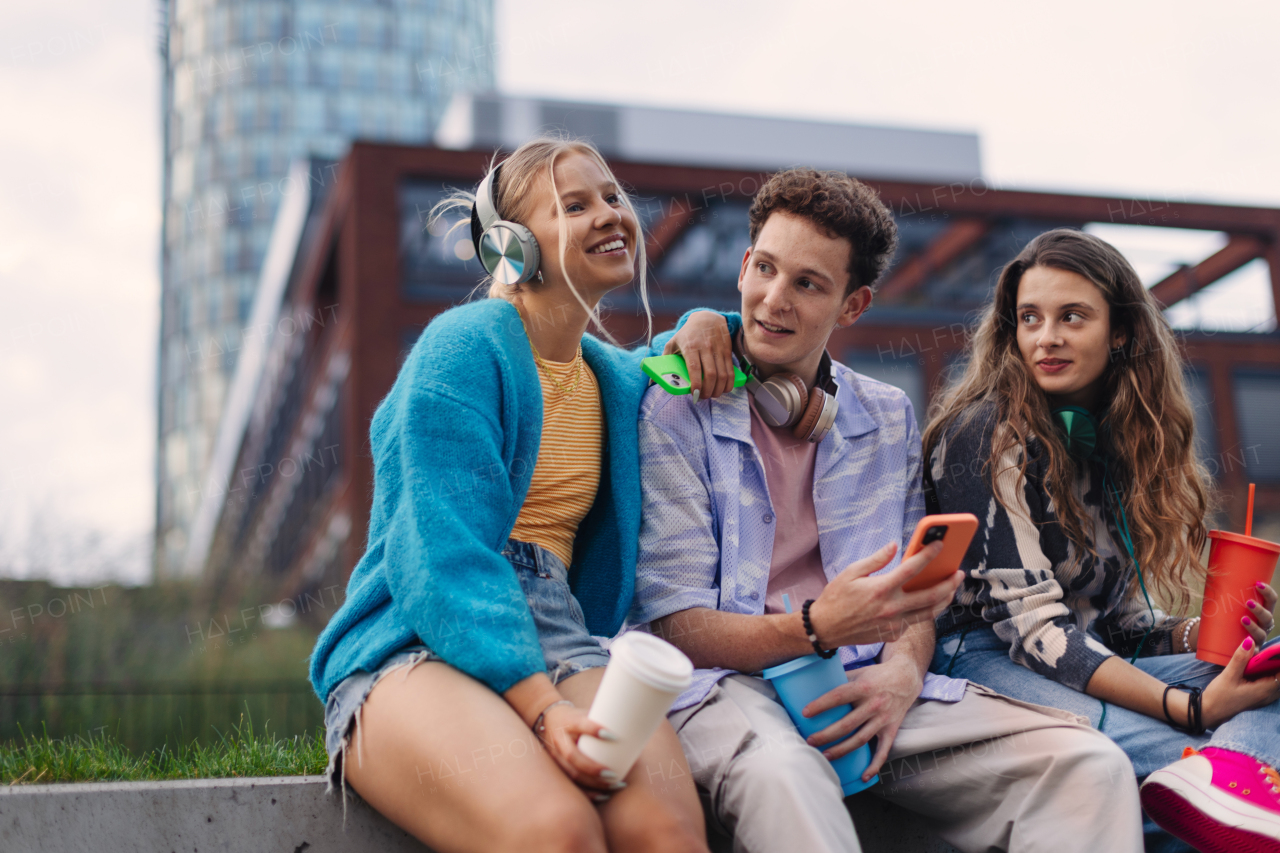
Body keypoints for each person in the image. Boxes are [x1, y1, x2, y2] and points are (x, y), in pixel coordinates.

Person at [629, 169, 1144, 853]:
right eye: (764, 268)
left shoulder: (886, 415)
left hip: (865, 682)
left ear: (853, 304)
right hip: (725, 688)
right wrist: (818, 625)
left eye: (808, 283)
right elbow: (676, 624)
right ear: (743, 265)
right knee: (788, 775)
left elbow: (914, 599)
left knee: (1088, 763)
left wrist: (903, 669)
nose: (772, 300)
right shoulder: (676, 404)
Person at [308, 136, 741, 853]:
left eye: (611, 197)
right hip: (415, 640)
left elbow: (692, 355)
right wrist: (540, 706)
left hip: (563, 635)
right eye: (575, 205)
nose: (610, 214)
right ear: (512, 247)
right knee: (556, 833)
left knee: (664, 833)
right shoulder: (461, 349)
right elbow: (443, 555)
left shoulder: (609, 375)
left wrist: (707, 322)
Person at [924, 227, 1280, 853]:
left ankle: (1227, 782)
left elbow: (1118, 622)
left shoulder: (1109, 440)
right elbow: (1037, 633)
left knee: (1268, 683)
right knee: (1199, 759)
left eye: (1072, 317)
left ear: (1120, 332)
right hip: (982, 659)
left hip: (1080, 653)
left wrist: (1207, 638)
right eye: (1029, 318)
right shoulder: (983, 431)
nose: (1046, 337)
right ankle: (1224, 782)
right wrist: (1193, 707)